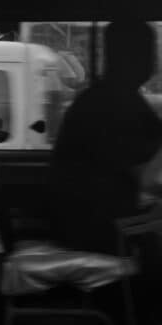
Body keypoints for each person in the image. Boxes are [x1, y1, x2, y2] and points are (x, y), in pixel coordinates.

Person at [48, 20, 162, 256]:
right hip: (94, 226)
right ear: (127, 56)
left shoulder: (115, 96)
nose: (153, 62)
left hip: (96, 216)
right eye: (148, 52)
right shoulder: (111, 103)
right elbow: (151, 177)